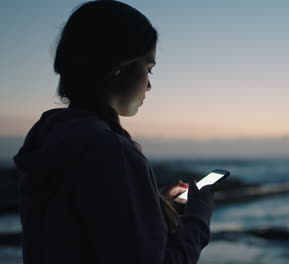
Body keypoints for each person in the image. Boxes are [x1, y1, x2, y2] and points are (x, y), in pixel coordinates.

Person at [12, 1, 215, 263]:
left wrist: (150, 207)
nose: (150, 85)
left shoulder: (50, 136)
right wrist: (198, 219)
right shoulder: (111, 151)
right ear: (119, 66)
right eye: (148, 68)